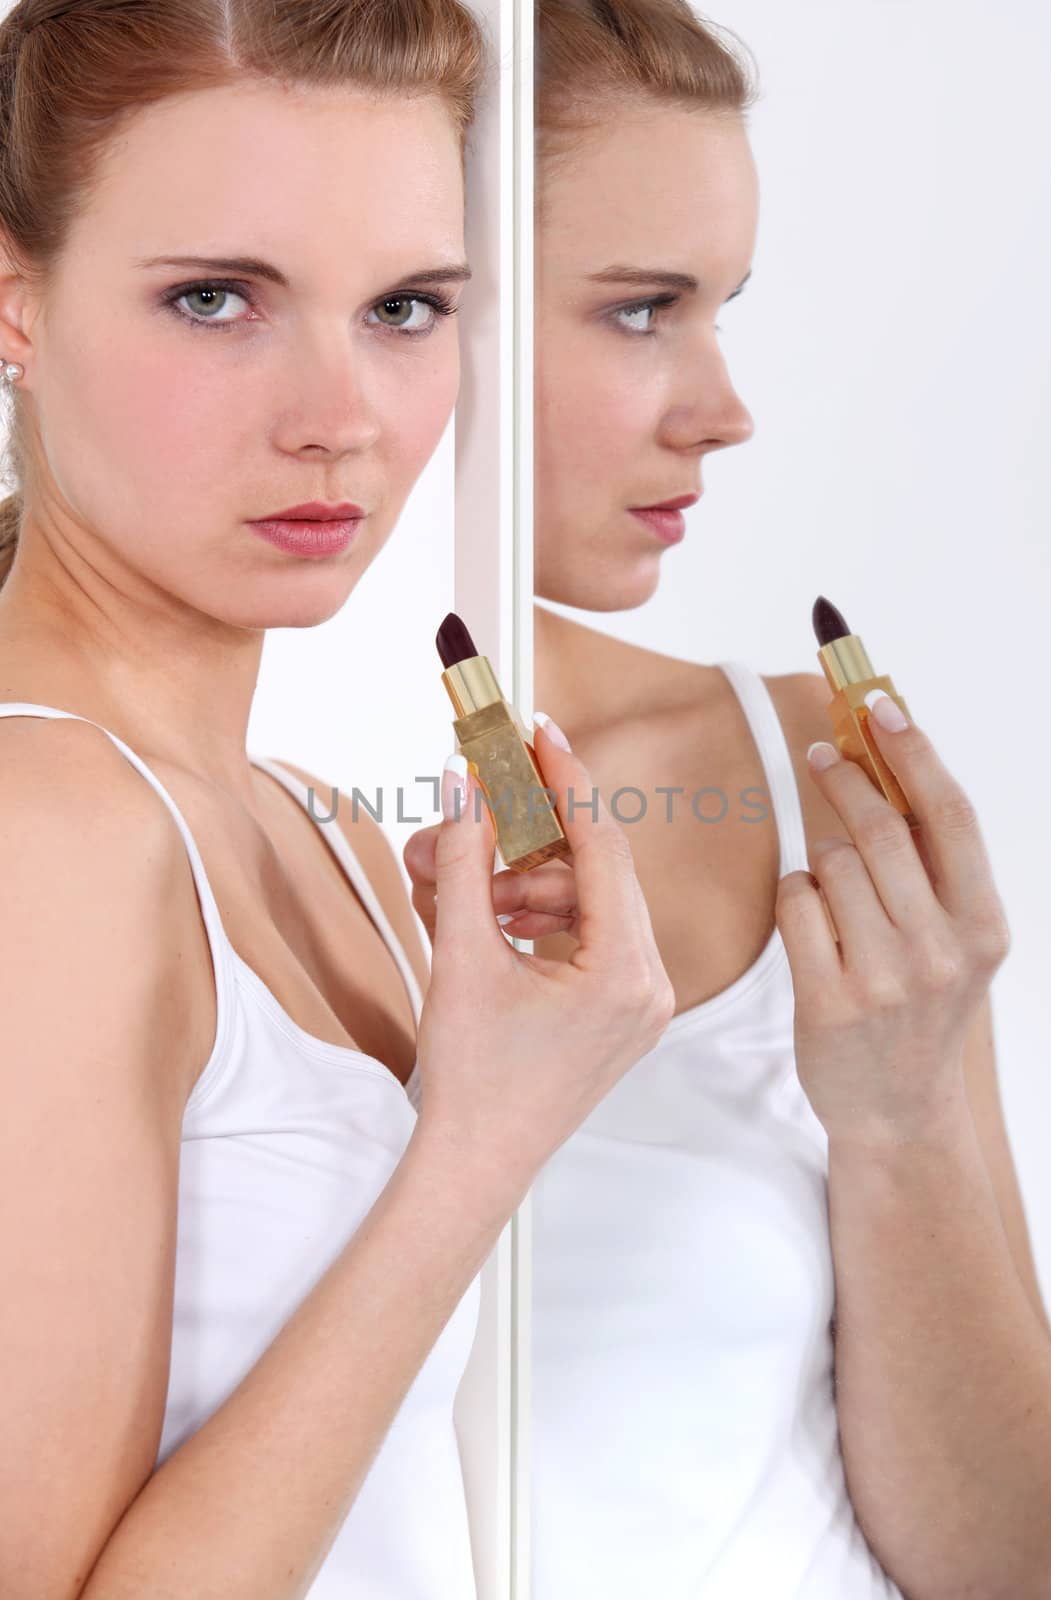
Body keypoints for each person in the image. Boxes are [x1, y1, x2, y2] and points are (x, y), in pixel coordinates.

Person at [0, 3, 675, 1596]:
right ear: (12, 299)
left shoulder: (327, 829)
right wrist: (485, 1142)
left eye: (405, 306)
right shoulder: (51, 831)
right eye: (217, 298)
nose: (340, 415)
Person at [405, 1, 1051, 1595]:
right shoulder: (134, 796)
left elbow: (1007, 1558)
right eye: (642, 312)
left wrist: (906, 1117)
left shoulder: (804, 784)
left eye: (722, 310)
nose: (725, 406)